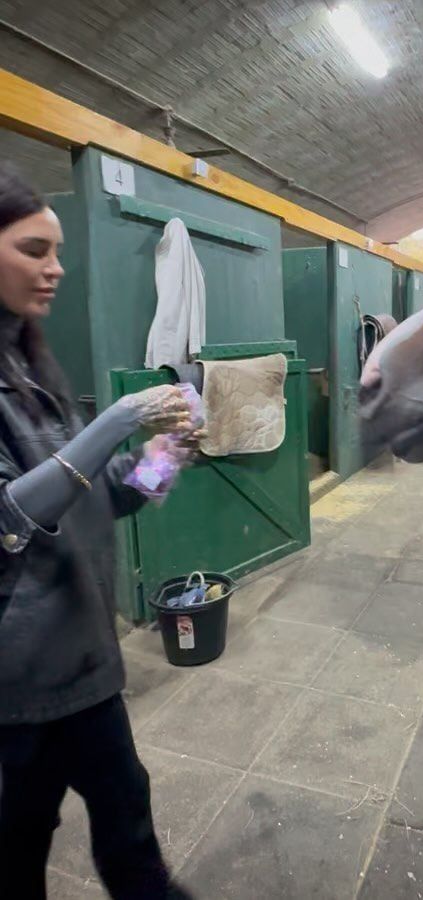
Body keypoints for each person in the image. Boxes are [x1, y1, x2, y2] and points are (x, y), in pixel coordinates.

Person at [0, 162, 197, 900]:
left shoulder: (34, 369)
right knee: (18, 853)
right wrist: (117, 420)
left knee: (131, 838)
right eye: (32, 250)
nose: (54, 270)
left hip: (86, 667)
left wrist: (154, 465)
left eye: (56, 252)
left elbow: (95, 499)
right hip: (16, 691)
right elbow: (10, 519)